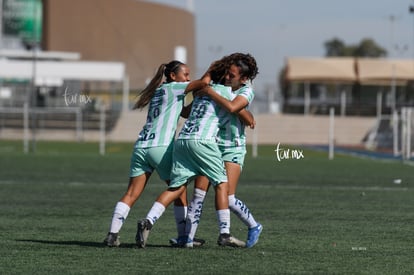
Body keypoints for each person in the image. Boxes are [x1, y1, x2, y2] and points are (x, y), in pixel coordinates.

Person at [135, 57, 254, 248]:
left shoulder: (199, 92)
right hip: (203, 141)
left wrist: (205, 90)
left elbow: (185, 112)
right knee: (222, 184)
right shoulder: (226, 92)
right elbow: (237, 109)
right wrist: (250, 117)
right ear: (224, 76)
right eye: (228, 74)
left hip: (182, 141)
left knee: (176, 187)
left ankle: (149, 221)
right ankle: (225, 233)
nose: (230, 77)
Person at [103, 60, 192, 247]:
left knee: (131, 193)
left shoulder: (160, 90)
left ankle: (112, 234)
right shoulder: (176, 87)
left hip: (141, 146)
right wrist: (216, 73)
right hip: (160, 147)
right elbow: (204, 83)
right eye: (186, 74)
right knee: (179, 188)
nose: (188, 78)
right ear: (173, 76)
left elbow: (183, 112)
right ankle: (180, 235)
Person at [181, 53, 263, 248]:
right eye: (227, 73)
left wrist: (209, 92)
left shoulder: (246, 90)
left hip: (232, 148)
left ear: (243, 78)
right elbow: (188, 111)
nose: (227, 77)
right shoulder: (218, 87)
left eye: (232, 75)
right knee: (198, 193)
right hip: (210, 144)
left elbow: (234, 107)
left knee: (227, 196)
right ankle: (187, 238)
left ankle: (254, 225)